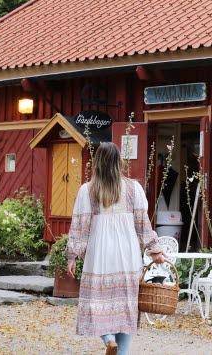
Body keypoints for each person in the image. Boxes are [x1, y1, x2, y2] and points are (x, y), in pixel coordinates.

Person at [67, 142, 168, 355]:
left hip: (99, 255)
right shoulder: (134, 188)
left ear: (97, 163)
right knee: (126, 305)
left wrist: (72, 255)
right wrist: (155, 249)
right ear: (119, 162)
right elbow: (143, 224)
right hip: (127, 255)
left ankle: (108, 339)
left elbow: (80, 226)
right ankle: (120, 351)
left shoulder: (88, 190)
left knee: (96, 303)